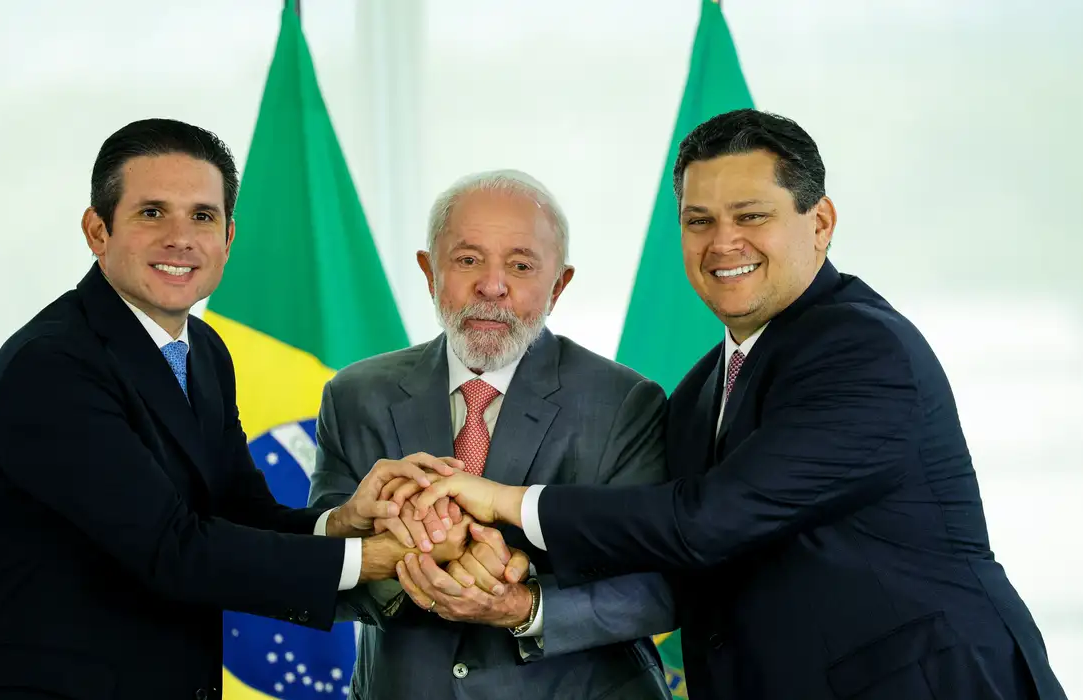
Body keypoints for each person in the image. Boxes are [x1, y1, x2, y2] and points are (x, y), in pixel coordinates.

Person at [403, 110, 1067, 700]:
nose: (724, 243)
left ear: (821, 222)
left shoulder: (864, 349)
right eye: (700, 221)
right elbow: (669, 560)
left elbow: (707, 522)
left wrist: (502, 500)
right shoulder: (696, 394)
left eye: (751, 216)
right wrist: (510, 586)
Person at [0, 118, 463, 700]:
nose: (180, 238)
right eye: (151, 213)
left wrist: (343, 523)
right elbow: (173, 549)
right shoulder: (51, 367)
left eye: (202, 216)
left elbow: (238, 511)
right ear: (97, 230)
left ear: (229, 238)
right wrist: (375, 558)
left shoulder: (203, 350)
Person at [306, 170, 677, 700]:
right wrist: (405, 560)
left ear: (560, 285)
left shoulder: (626, 403)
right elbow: (319, 579)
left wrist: (522, 607)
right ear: (429, 271)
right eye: (467, 259)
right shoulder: (354, 395)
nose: (492, 285)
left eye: (521, 265)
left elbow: (656, 588)